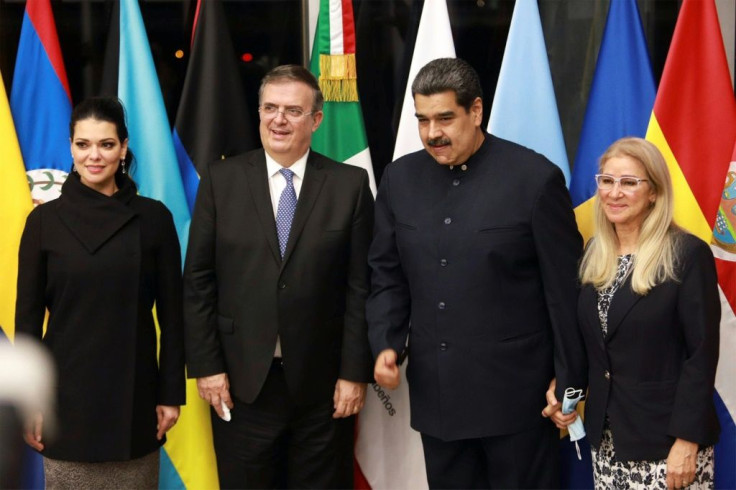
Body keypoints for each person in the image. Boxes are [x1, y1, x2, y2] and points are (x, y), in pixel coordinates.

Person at [367, 57, 586, 488]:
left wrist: (570, 378)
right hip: (439, 399)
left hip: (518, 401)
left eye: (445, 118)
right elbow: (387, 274)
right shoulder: (400, 179)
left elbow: (565, 290)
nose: (433, 133)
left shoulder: (535, 179)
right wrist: (385, 343)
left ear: (476, 111)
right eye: (423, 119)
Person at [183, 64, 374, 489]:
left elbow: (361, 286)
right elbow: (198, 280)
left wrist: (353, 372)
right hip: (241, 384)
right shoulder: (221, 180)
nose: (278, 119)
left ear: (316, 119)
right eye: (270, 108)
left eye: (292, 110)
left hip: (324, 389)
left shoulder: (350, 185)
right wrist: (208, 367)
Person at [15, 96, 185, 488]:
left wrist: (170, 392)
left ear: (123, 148)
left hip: (135, 399)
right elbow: (26, 322)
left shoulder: (154, 218)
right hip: (62, 401)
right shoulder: (43, 222)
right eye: (83, 144)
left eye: (106, 144)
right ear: (71, 147)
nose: (94, 156)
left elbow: (174, 317)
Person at [544, 137, 720, 490]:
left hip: (667, 446)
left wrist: (686, 440)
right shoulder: (595, 253)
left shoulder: (686, 255)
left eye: (628, 183)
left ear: (654, 192)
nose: (614, 192)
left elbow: (701, 356)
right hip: (607, 443)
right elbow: (594, 345)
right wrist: (565, 390)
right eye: (606, 181)